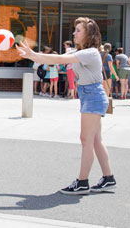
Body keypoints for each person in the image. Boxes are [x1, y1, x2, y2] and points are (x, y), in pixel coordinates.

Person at [17, 17, 116, 195]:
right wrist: (34, 55)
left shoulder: (91, 53)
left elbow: (58, 59)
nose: (74, 33)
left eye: (78, 30)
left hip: (93, 96)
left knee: (86, 140)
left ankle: (82, 182)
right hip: (90, 95)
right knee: (95, 140)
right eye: (75, 29)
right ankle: (108, 178)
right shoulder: (79, 52)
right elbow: (57, 58)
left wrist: (32, 55)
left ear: (89, 34)